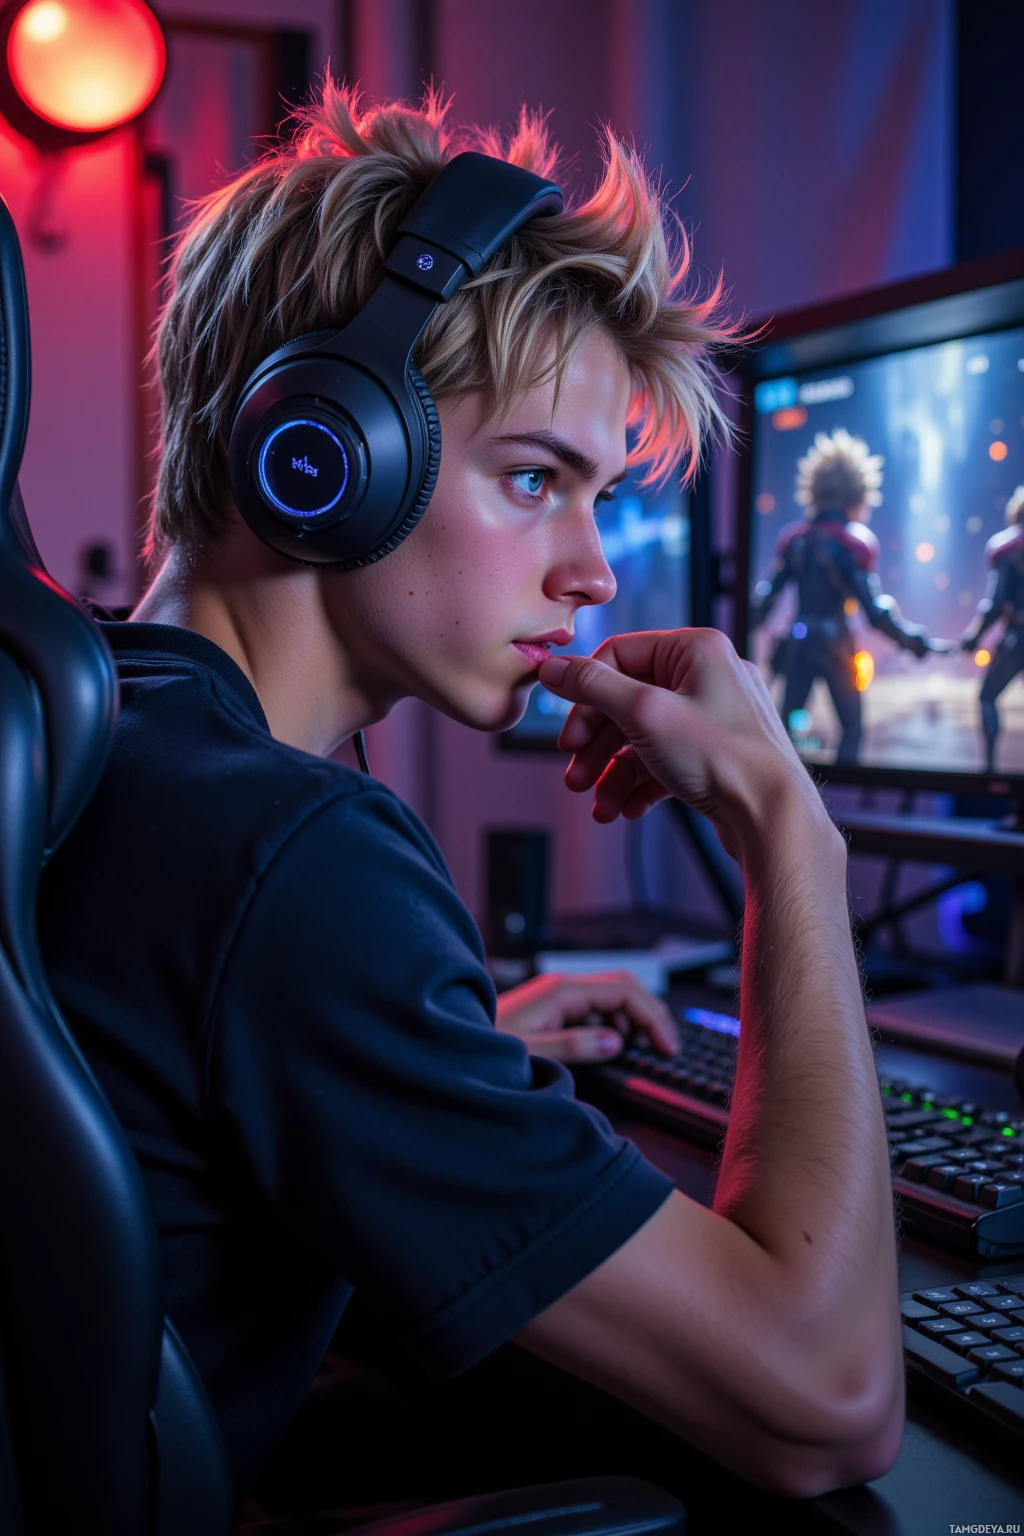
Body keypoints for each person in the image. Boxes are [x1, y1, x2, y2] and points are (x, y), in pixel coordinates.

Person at [37, 83, 903, 1512]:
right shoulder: (296, 861)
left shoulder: (108, 736)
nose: (595, 571)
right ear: (318, 454)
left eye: (597, 495)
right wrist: (789, 833)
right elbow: (828, 1396)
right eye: (532, 480)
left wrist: (446, 1052)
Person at [750, 428, 932, 764]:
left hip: (799, 643)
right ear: (858, 491)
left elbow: (765, 600)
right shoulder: (854, 542)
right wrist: (911, 640)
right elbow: (875, 610)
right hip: (838, 647)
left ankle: (786, 799)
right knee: (851, 729)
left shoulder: (795, 539)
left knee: (787, 733)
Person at [960, 486, 1024, 772]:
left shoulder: (1008, 548)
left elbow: (996, 604)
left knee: (987, 697)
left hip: (1018, 639)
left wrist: (974, 637)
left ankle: (989, 773)